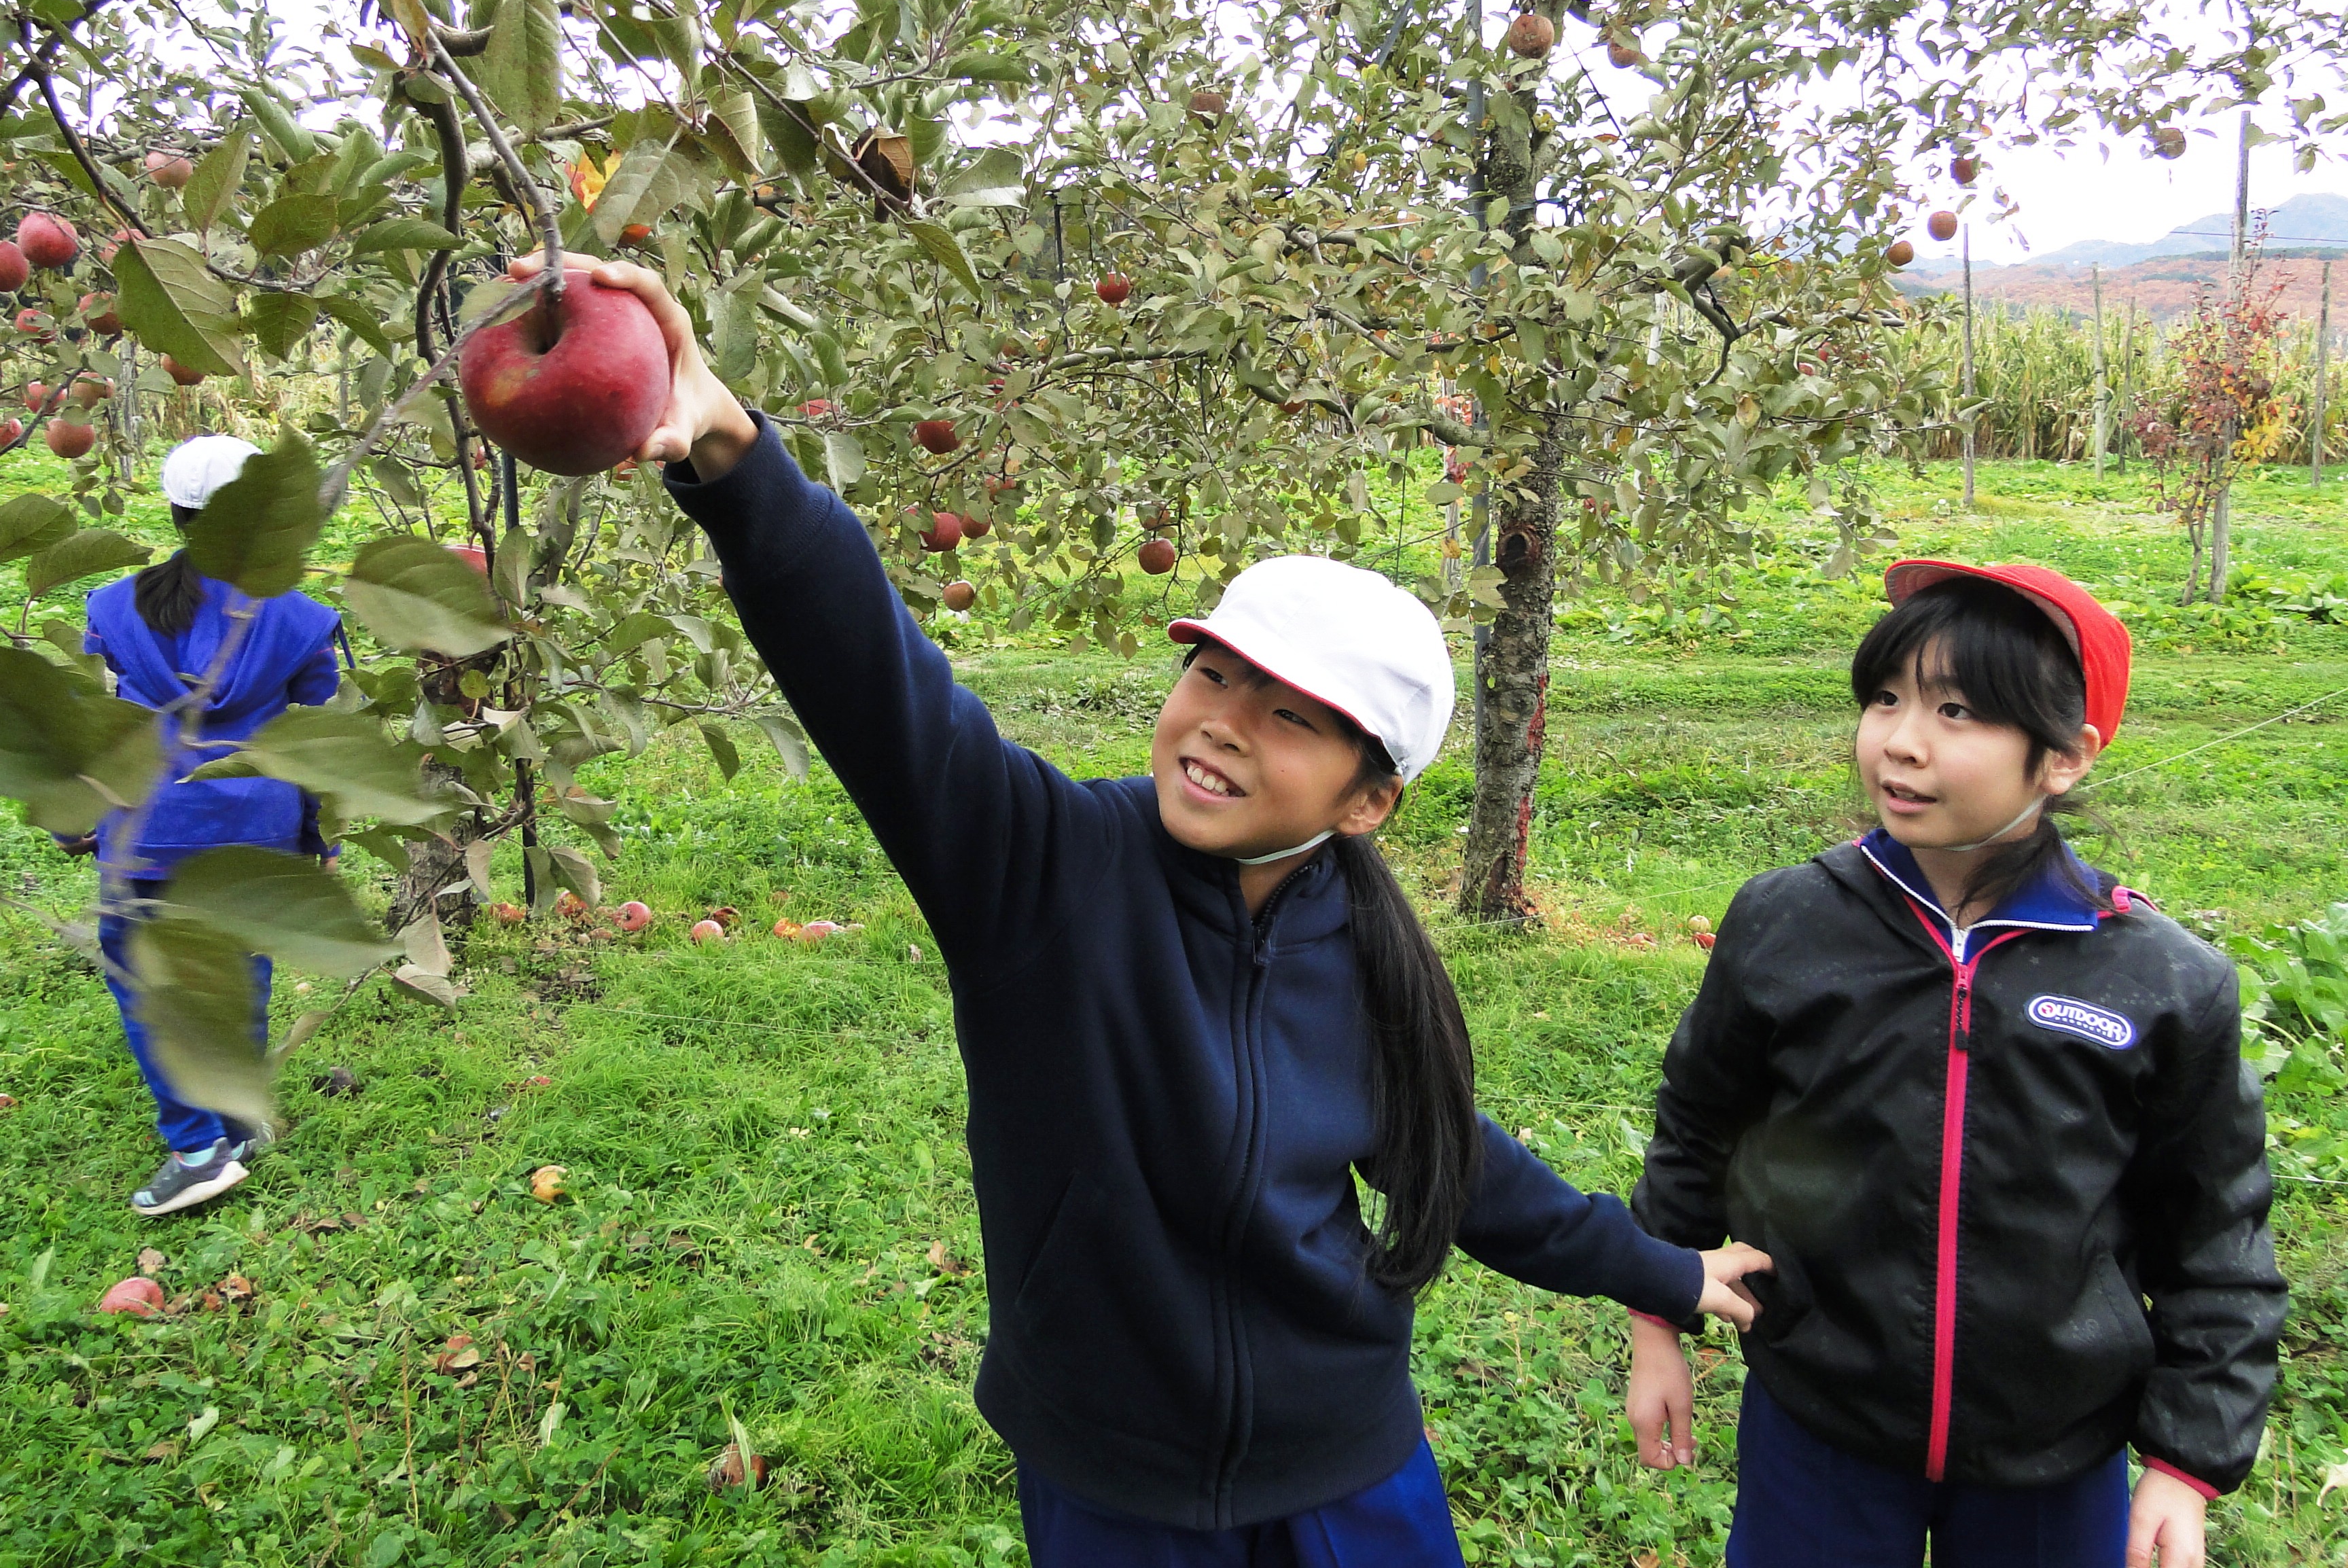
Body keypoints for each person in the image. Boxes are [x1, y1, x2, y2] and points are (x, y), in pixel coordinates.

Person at [524, 251, 1772, 1563]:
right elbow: (876, 681)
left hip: (1350, 1461)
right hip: (1113, 1480)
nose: (1224, 723)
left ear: (1366, 801)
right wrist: (731, 454)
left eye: (1290, 716)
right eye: (1214, 675)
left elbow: (1453, 1166)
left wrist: (1661, 1269)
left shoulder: (1366, 951)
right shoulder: (1042, 865)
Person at [1626, 560, 2285, 1568]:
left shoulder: (2159, 981)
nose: (1901, 740)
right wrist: (1656, 1314)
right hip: (1821, 1425)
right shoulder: (1787, 923)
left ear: (2065, 757)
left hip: (2056, 1454)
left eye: (1958, 711)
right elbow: (1698, 1124)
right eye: (1886, 698)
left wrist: (2186, 1461)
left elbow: (2215, 1230)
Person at [76, 435, 344, 1216]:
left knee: (153, 989)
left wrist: (76, 821)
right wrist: (321, 839)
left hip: (151, 830)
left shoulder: (114, 607)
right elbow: (318, 741)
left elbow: (99, 728)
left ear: (177, 514)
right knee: (239, 978)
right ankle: (234, 1120)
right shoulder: (302, 619)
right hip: (257, 829)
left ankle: (198, 1150)